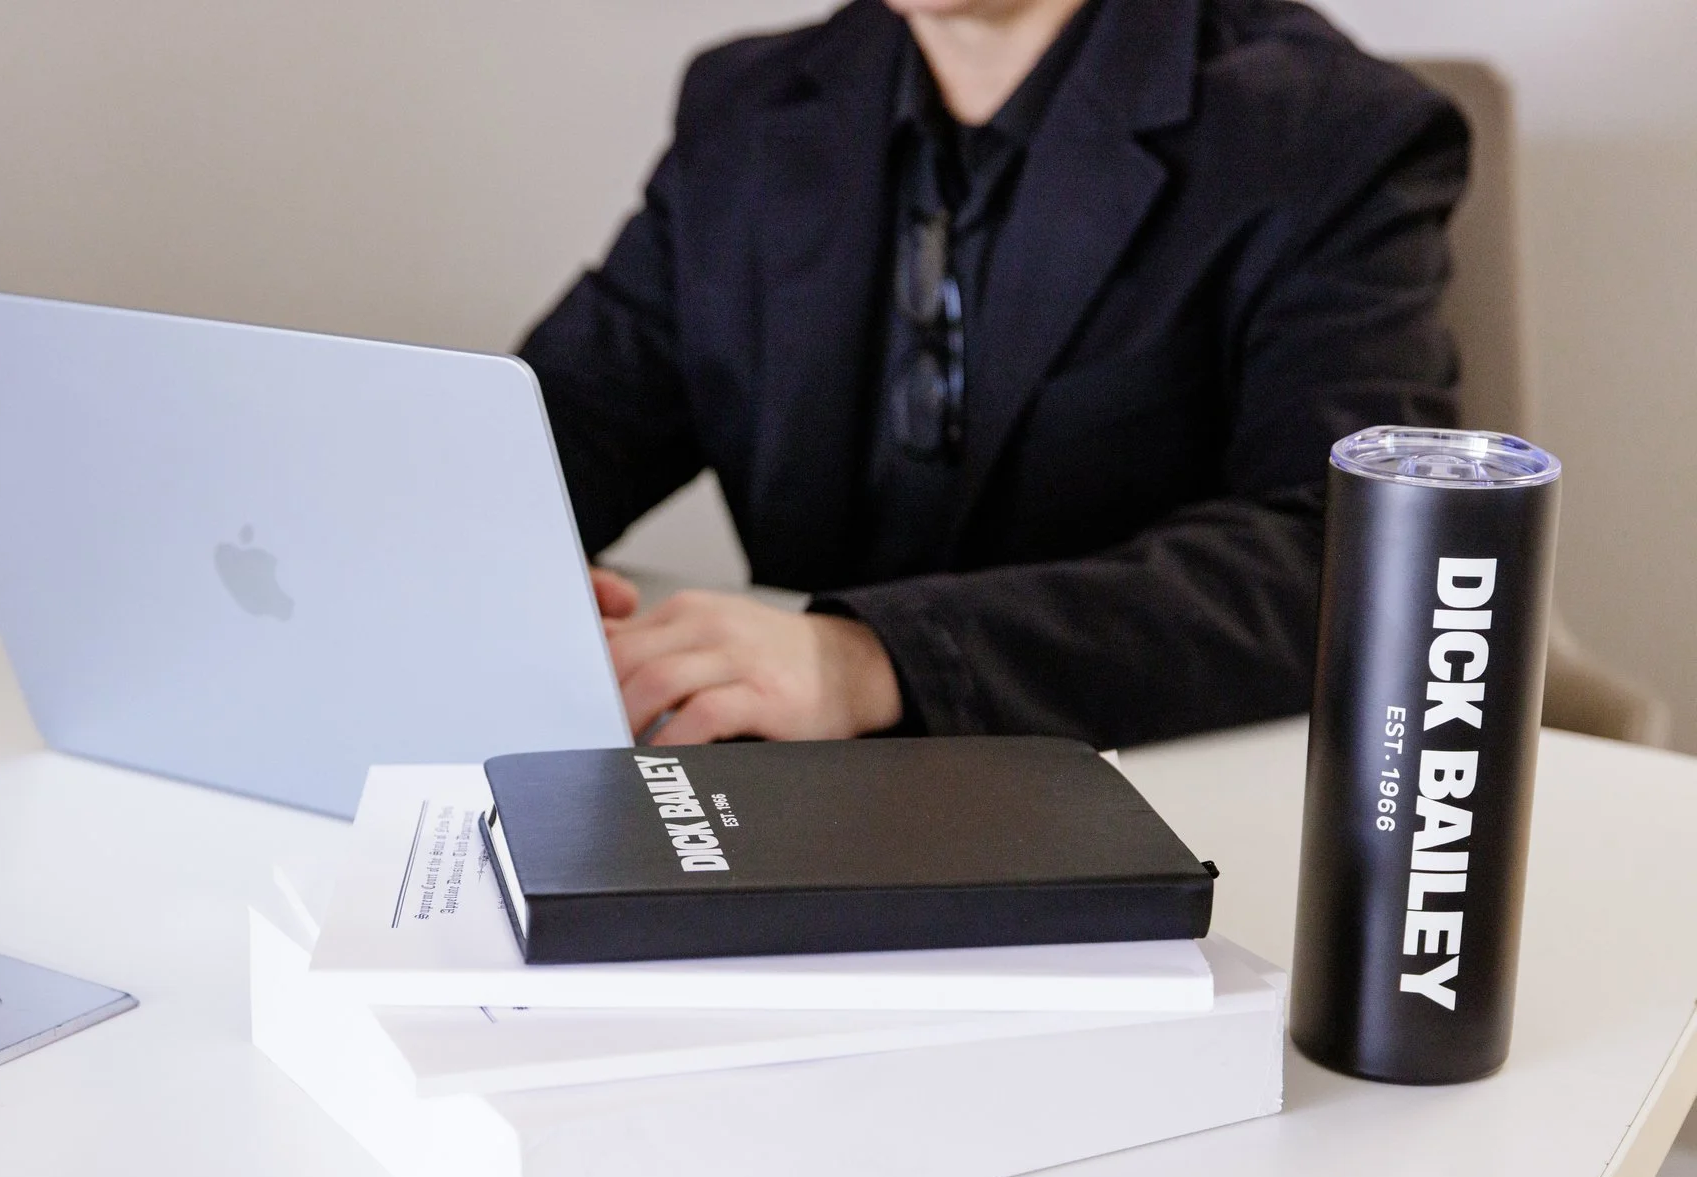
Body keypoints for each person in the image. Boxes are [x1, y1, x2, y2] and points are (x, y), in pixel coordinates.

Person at [519, 0, 1468, 748]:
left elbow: (1350, 553)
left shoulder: (1331, 131)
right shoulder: (750, 104)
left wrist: (872, 659)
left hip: (1147, 793)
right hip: (797, 792)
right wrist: (484, 559)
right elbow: (569, 420)